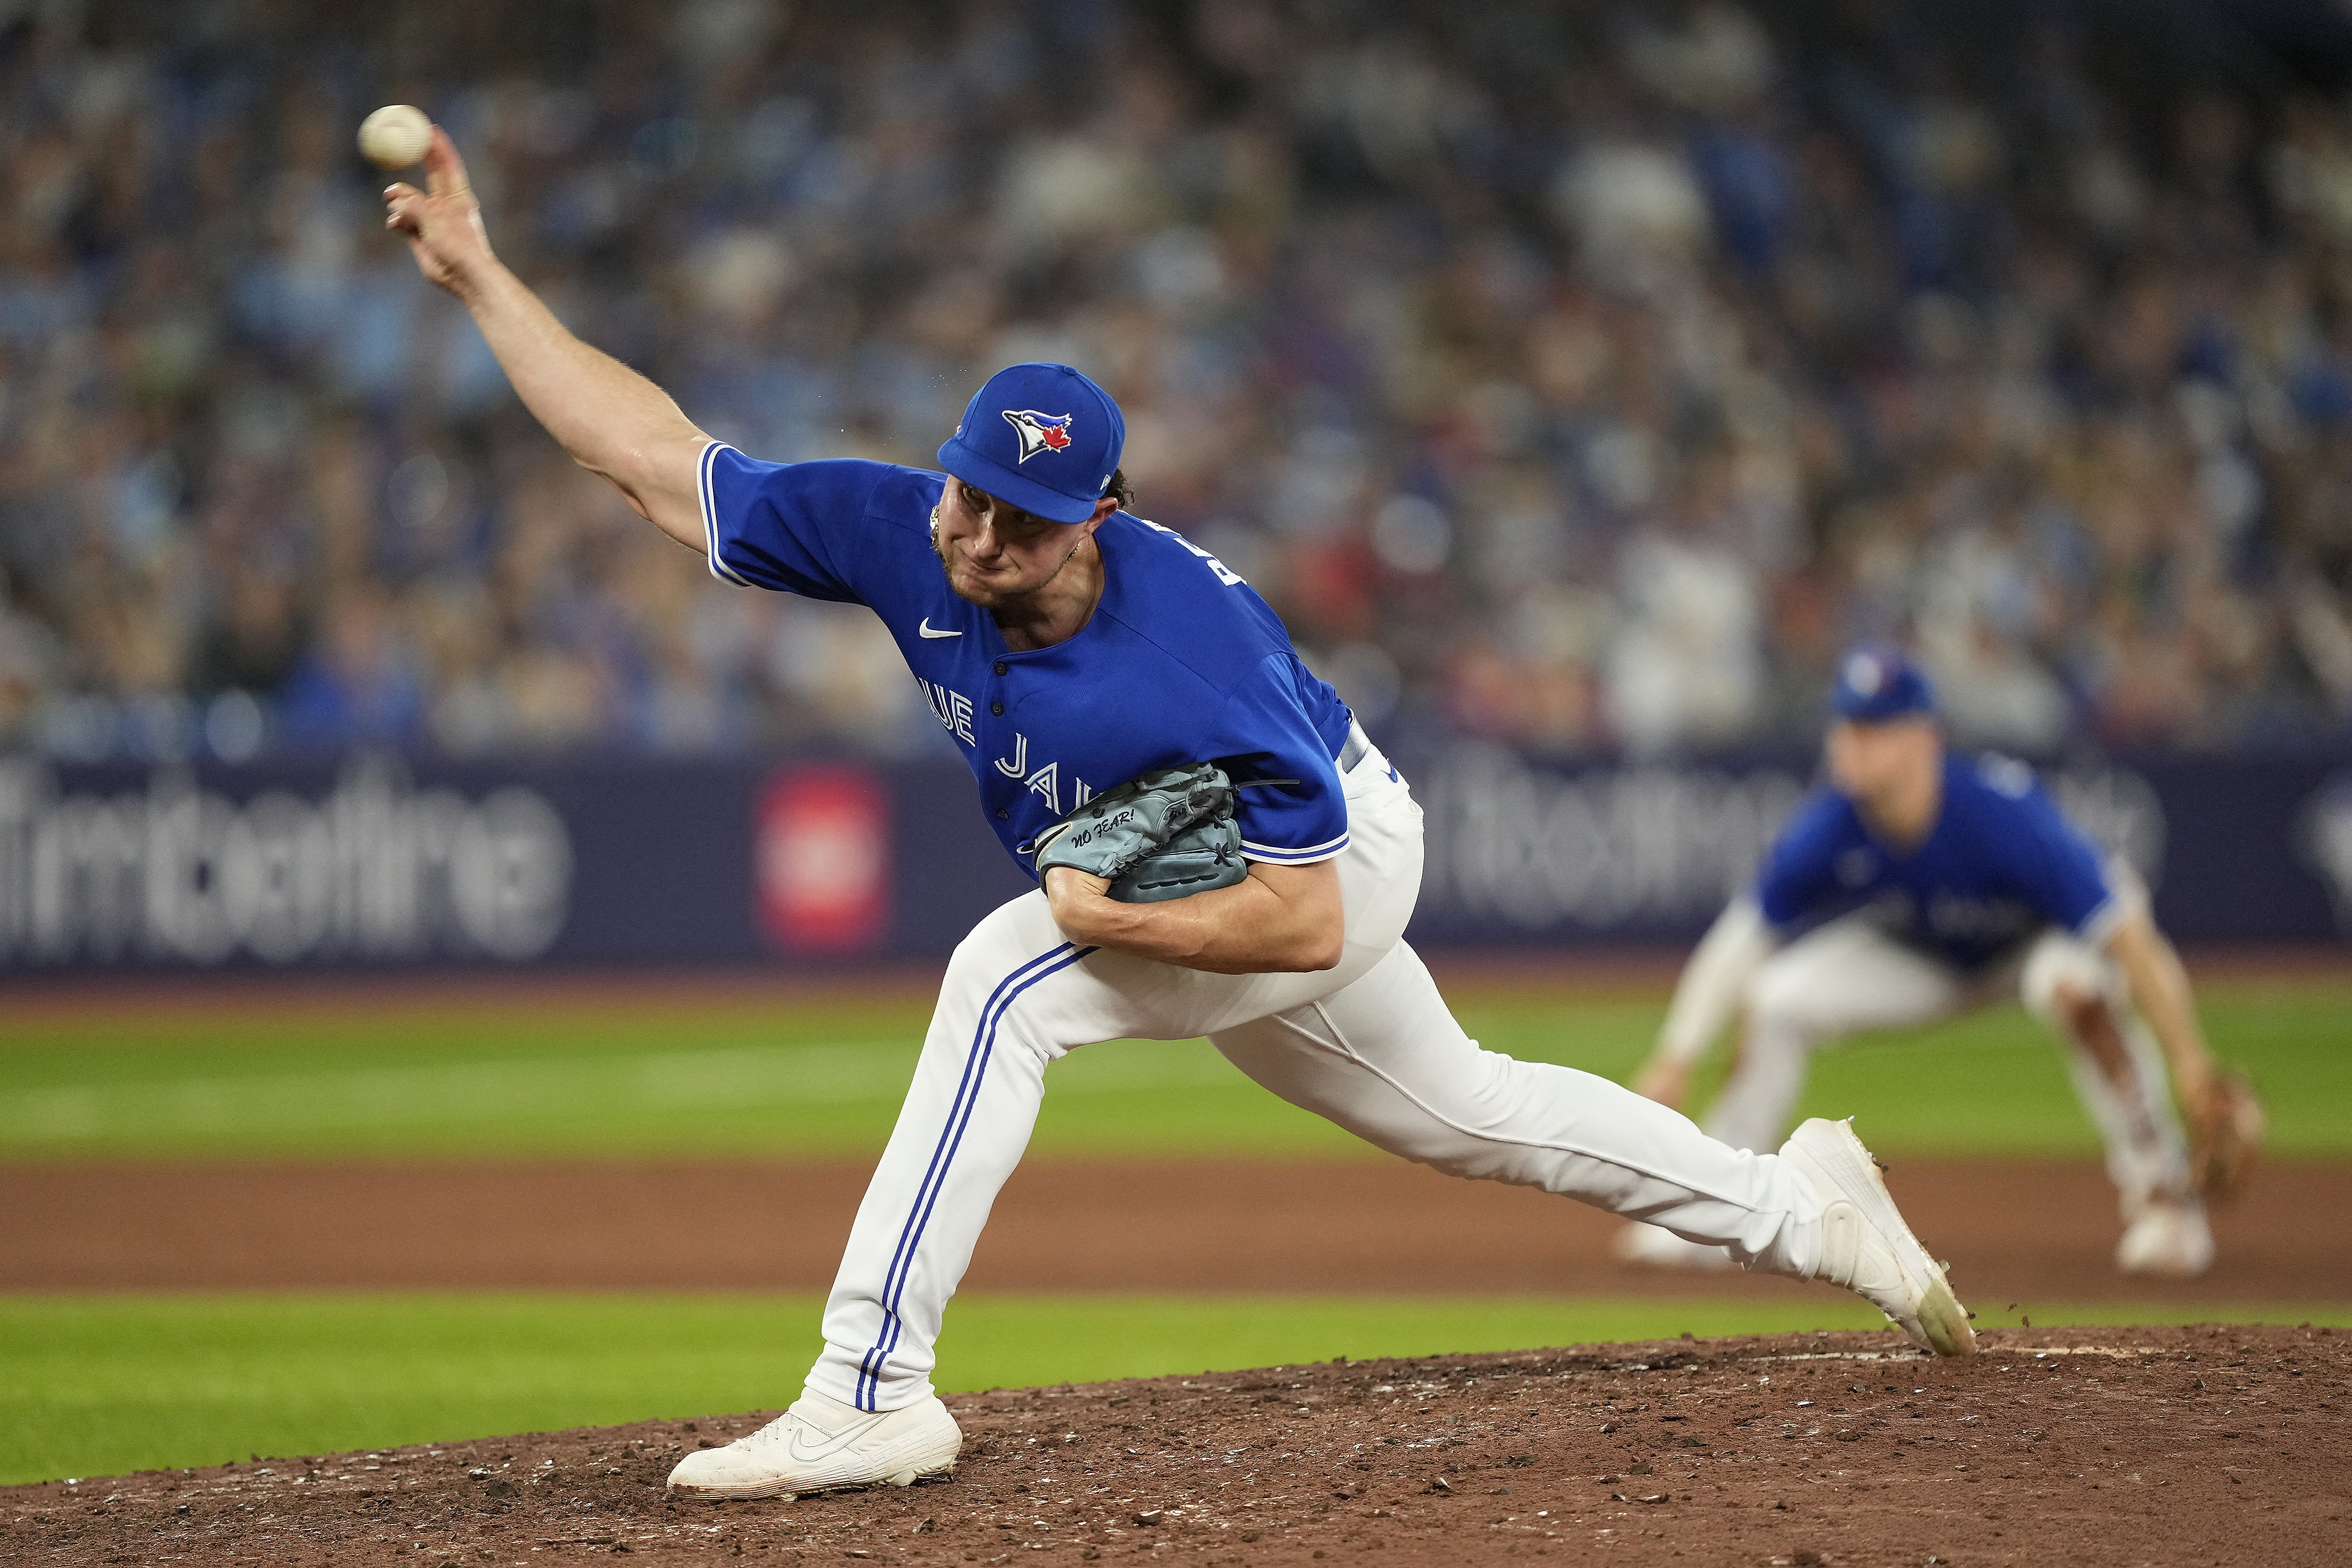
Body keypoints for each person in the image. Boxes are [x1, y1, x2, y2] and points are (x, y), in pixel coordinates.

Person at [382, 127, 1976, 1505]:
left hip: (1333, 848)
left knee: (1005, 980)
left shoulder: (1182, 657)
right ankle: (1805, 1203)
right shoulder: (905, 530)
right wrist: (479, 277)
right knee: (1473, 1112)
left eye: (1023, 516)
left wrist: (1114, 922)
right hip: (1237, 867)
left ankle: (869, 1385)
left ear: (1103, 519)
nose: (978, 534)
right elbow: (659, 461)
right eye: (966, 493)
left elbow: (1311, 918)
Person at [1616, 645, 2226, 1279]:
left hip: (2034, 946)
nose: (1850, 744)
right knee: (1775, 997)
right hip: (1926, 954)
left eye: (1872, 728)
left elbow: (2125, 933)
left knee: (2074, 987)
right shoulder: (1834, 820)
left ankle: (2166, 1204)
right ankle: (1713, 1208)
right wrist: (1676, 1053)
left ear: (1922, 738)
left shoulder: (1997, 813)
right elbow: (1742, 936)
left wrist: (2191, 1061)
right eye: (1845, 726)